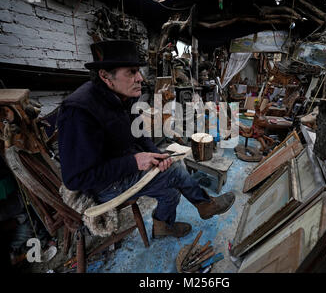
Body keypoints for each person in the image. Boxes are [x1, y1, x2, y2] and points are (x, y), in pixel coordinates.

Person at [57, 40, 235, 239]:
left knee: (170, 182)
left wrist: (158, 155)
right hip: (102, 186)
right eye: (131, 72)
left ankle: (162, 226)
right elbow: (75, 179)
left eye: (138, 71)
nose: (140, 78)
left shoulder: (124, 97)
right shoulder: (79, 111)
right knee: (175, 173)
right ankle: (205, 205)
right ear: (105, 76)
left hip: (123, 164)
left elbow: (140, 135)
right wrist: (134, 162)